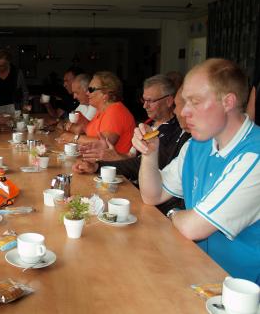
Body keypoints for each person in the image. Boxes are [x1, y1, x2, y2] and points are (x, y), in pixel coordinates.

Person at [133, 58, 260, 283]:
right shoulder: (197, 145)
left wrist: (172, 214)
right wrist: (150, 154)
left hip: (237, 292)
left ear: (228, 102)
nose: (183, 112)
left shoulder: (255, 155)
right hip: (195, 270)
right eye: (184, 102)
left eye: (195, 102)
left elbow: (193, 228)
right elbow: (152, 195)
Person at [74, 82, 190, 215]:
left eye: (150, 101)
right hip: (136, 192)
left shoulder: (177, 133)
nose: (144, 105)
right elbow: (133, 158)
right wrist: (101, 164)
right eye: (143, 100)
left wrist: (103, 164)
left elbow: (145, 165)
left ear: (169, 101)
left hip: (146, 202)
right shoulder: (148, 124)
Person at [58, 71, 135, 154]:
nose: (87, 93)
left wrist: (74, 138)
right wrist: (84, 123)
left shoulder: (115, 111)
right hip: (99, 162)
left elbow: (104, 144)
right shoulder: (101, 110)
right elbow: (93, 134)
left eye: (91, 89)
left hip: (113, 166)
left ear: (105, 94)